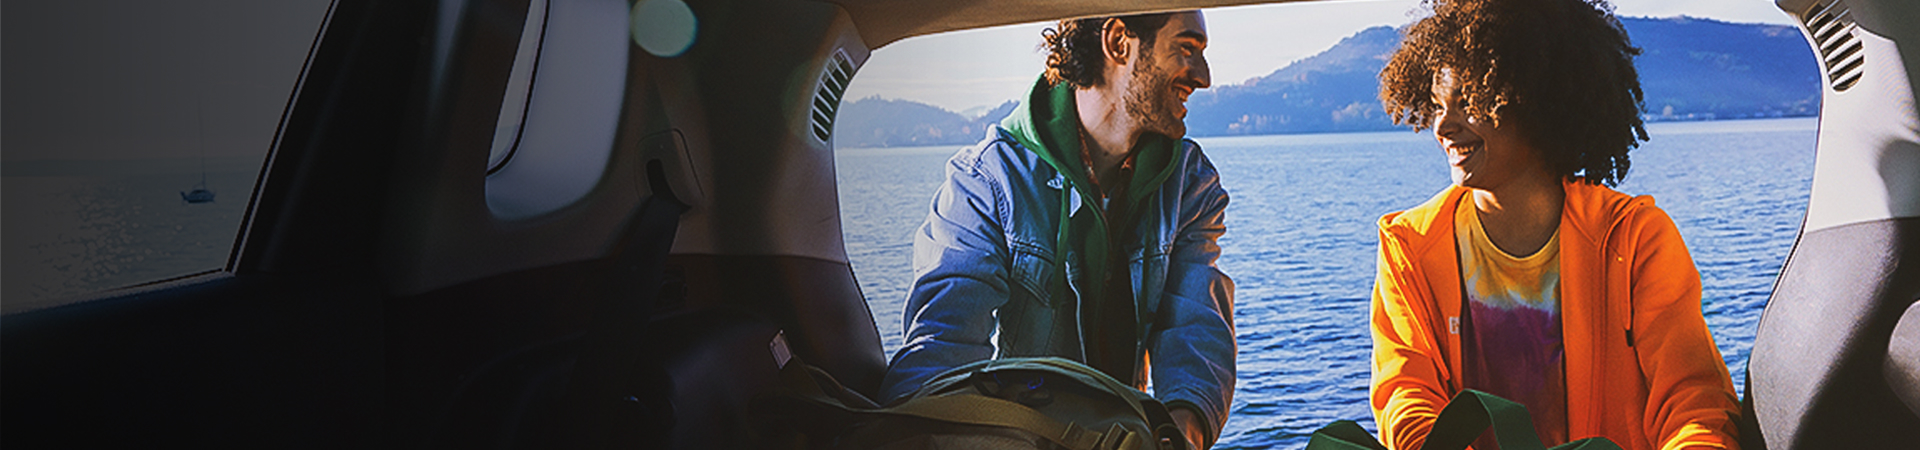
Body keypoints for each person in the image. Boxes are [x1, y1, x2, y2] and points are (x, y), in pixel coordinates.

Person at [1368, 0, 1741, 449]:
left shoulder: (1635, 238)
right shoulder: (1410, 246)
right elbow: (1405, 395)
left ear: (1533, 98)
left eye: (1467, 103)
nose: (1443, 126)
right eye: (1436, 105)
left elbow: (1692, 401)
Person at [877, 11, 1234, 449]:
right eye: (1187, 48)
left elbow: (1193, 330)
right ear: (1119, 42)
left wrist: (1178, 440)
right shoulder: (987, 180)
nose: (1204, 76)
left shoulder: (1191, 184)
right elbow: (942, 350)